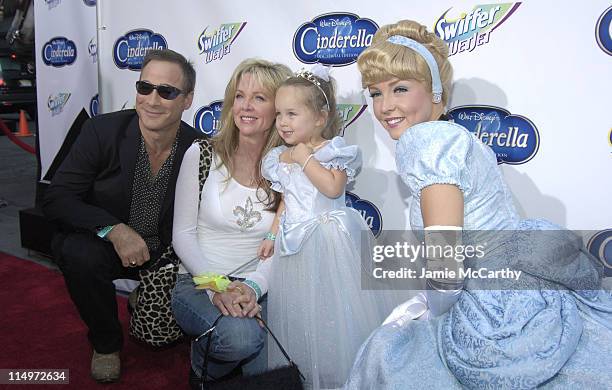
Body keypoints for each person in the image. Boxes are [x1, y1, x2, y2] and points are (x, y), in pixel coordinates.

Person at [345, 20, 612, 389]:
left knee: (388, 358)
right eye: (374, 93)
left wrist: (425, 310)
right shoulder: (455, 138)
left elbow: (445, 269)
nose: (385, 106)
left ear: (436, 92)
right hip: (525, 292)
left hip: (493, 312)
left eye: (400, 89)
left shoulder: (426, 142)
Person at [43, 49, 200, 383]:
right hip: (110, 247)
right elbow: (56, 197)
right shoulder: (102, 131)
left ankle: (149, 294)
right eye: (145, 88)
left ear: (187, 100)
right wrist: (114, 230)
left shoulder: (198, 146)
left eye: (166, 92)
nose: (152, 100)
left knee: (161, 333)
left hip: (169, 253)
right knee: (76, 252)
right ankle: (106, 343)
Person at [261, 66, 401, 390]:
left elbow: (334, 188)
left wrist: (306, 159)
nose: (282, 122)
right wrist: (271, 234)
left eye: (292, 114)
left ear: (320, 118)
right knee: (301, 318)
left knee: (336, 315)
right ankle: (310, 376)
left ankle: (348, 378)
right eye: (279, 114)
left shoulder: (332, 151)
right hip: (295, 246)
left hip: (329, 243)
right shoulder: (278, 158)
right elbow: (286, 200)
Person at [170, 58, 292, 388]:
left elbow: (282, 245)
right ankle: (202, 368)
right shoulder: (202, 154)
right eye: (240, 96)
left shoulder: (289, 169)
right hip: (200, 281)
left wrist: (252, 289)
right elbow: (182, 234)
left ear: (279, 109)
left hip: (260, 285)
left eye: (259, 98)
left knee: (271, 377)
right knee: (241, 339)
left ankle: (220, 364)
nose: (246, 106)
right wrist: (216, 287)